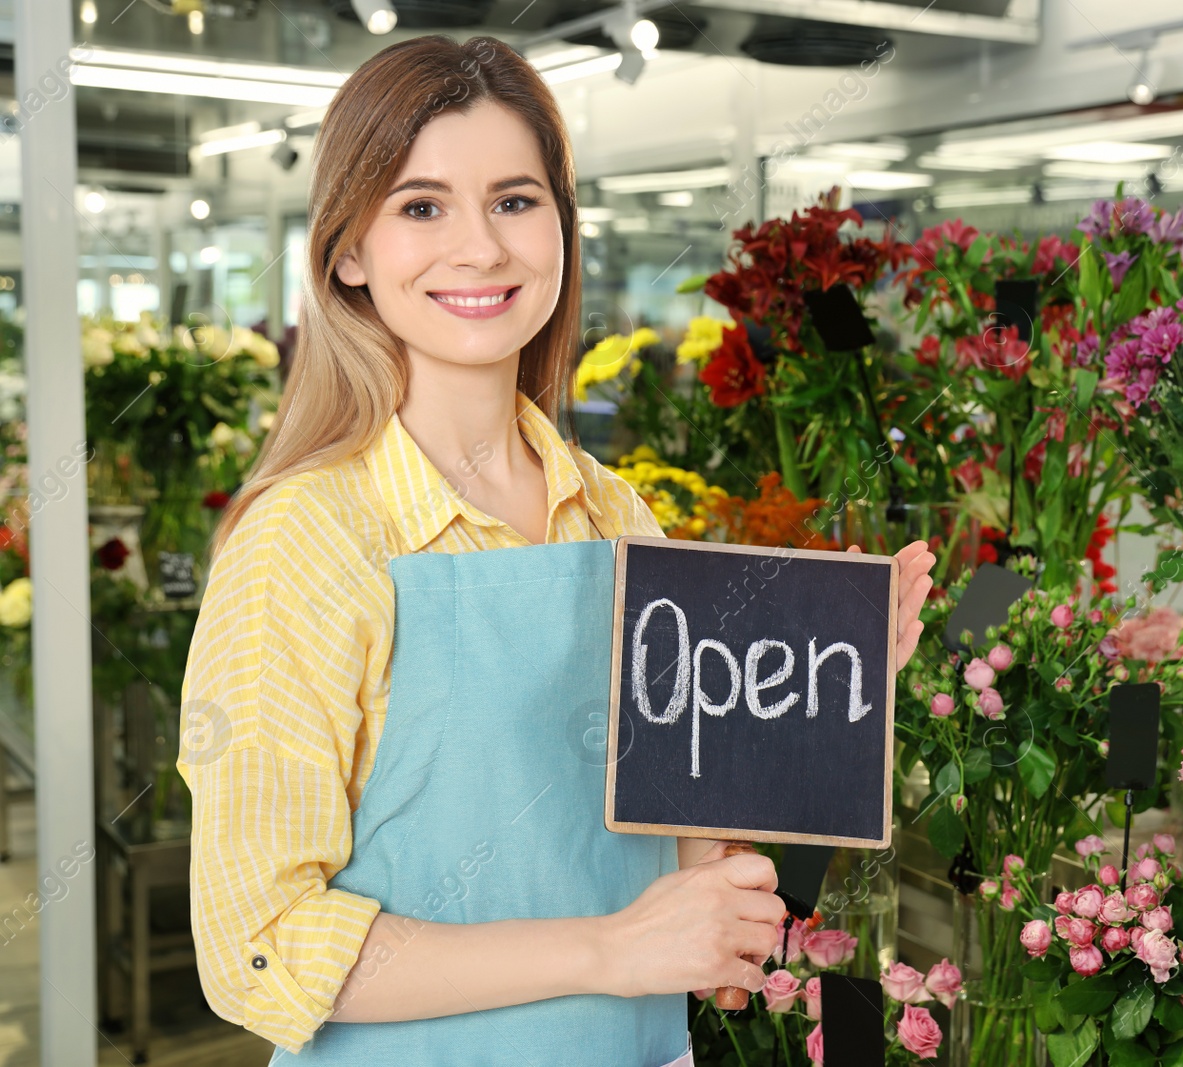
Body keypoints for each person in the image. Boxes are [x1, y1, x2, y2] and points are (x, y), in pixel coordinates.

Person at [176, 33, 935, 1067]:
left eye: (515, 200)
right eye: (421, 205)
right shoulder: (304, 539)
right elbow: (256, 952)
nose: (480, 248)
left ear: (562, 230)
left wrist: (824, 704)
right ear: (346, 251)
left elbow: (699, 895)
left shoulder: (617, 516)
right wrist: (609, 949)